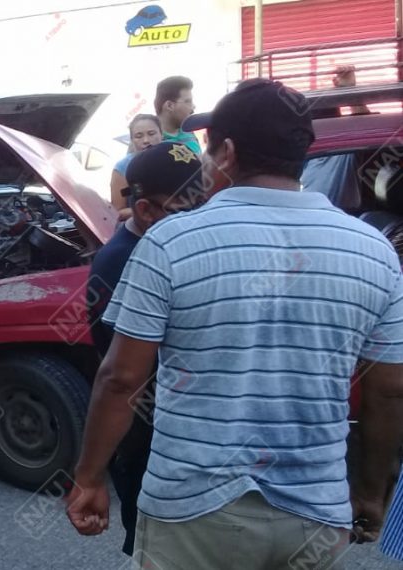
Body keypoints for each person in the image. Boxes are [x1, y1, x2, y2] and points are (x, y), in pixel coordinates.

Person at [66, 79, 403, 568]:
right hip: (315, 510)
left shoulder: (169, 243)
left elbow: (121, 380)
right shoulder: (375, 251)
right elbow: (389, 391)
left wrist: (89, 477)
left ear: (225, 152)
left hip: (191, 509)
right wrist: (372, 493)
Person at [85, 141, 202, 557]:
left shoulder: (179, 242)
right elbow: (122, 373)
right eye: (186, 210)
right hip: (145, 428)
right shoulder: (119, 262)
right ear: (145, 209)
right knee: (149, 541)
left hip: (184, 428)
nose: (198, 219)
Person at [108, 114, 162, 216]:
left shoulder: (173, 159)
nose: (146, 140)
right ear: (132, 140)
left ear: (161, 134)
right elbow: (117, 212)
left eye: (151, 134)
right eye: (139, 136)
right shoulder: (122, 168)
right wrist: (152, 211)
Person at [154, 76, 201, 156]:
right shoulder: (150, 140)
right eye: (187, 101)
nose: (193, 106)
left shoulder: (189, 132)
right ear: (169, 105)